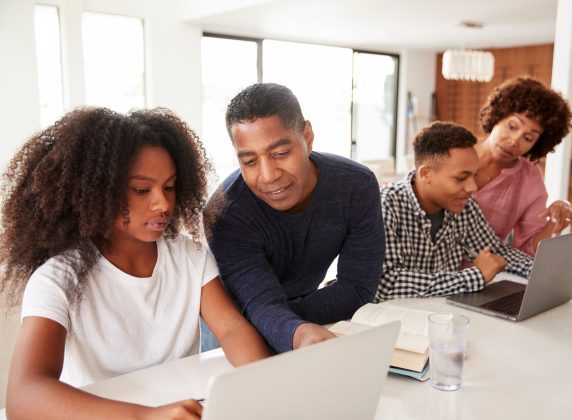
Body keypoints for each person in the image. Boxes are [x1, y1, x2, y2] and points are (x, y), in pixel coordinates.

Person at [1, 107, 270, 420]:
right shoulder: (58, 279)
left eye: (169, 187)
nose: (162, 203)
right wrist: (145, 416)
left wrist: (264, 385)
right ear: (98, 192)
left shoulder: (188, 256)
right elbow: (24, 396)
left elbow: (231, 328)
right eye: (142, 190)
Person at [204, 83, 385, 353]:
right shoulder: (225, 213)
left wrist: (286, 325)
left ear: (308, 136)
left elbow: (358, 287)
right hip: (235, 335)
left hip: (299, 325)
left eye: (280, 153)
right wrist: (285, 325)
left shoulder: (356, 186)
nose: (268, 176)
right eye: (250, 161)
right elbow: (257, 303)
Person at [375, 121, 533, 301]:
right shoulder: (385, 206)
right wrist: (476, 276)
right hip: (393, 319)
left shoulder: (464, 205)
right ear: (425, 174)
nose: (473, 187)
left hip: (440, 315)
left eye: (474, 175)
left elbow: (496, 252)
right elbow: (387, 283)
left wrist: (541, 269)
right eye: (461, 178)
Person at [474, 76, 572, 256]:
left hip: (485, 277)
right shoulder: (456, 150)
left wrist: (557, 216)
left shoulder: (529, 179)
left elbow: (528, 249)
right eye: (512, 126)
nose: (513, 141)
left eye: (528, 138)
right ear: (498, 115)